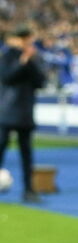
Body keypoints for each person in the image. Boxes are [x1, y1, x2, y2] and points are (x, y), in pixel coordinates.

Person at [0, 25, 46, 203]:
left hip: (25, 112)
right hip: (6, 111)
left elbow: (41, 81)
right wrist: (23, 62)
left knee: (26, 153)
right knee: (0, 149)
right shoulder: (7, 56)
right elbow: (7, 77)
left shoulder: (34, 59)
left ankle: (29, 189)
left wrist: (30, 61)